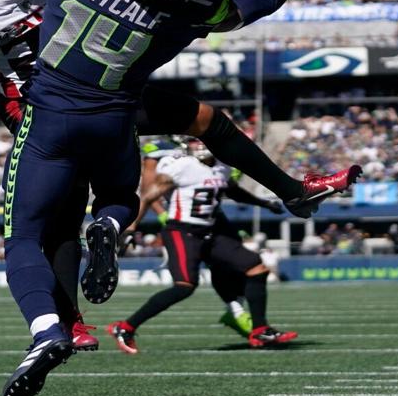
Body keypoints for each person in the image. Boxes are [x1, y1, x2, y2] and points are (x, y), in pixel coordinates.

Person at [0, 0, 357, 364]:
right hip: (48, 96)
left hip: (71, 94)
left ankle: (66, 318)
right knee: (81, 195)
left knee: (187, 129)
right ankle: (75, 309)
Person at [0, 0, 308, 396]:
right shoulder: (194, 7)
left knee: (23, 238)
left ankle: (46, 330)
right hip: (115, 118)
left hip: (49, 116)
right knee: (121, 198)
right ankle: (108, 224)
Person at [105, 139, 296, 353]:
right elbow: (148, 196)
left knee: (255, 267)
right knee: (184, 286)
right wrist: (131, 229)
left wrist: (264, 203)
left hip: (210, 231)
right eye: (192, 142)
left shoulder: (223, 167)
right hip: (182, 231)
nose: (195, 146)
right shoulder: (182, 166)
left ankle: (260, 330)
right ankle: (125, 327)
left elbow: (233, 191)